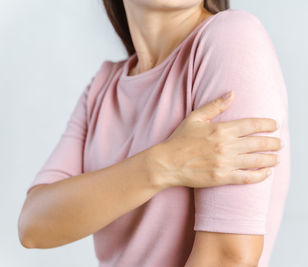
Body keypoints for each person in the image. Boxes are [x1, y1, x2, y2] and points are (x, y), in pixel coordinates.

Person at [18, 0, 291, 266]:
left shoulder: (232, 37)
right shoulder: (102, 89)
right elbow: (34, 225)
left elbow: (229, 258)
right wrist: (162, 165)